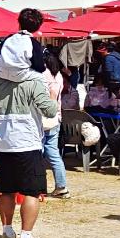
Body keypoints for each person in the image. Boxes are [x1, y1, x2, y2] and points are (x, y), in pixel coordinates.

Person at [0, 56, 59, 238]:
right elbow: (50, 111)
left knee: (7, 189)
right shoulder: (33, 82)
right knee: (31, 191)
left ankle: (7, 231)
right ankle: (26, 235)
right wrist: (52, 94)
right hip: (27, 142)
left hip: (4, 142)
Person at [41, 55, 70, 198]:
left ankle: (38, 186)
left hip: (41, 119)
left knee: (37, 153)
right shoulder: (58, 76)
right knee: (53, 154)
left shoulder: (42, 75)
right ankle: (61, 186)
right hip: (55, 119)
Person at [0, 8, 46, 83]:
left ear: (19, 23)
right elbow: (39, 66)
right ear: (37, 27)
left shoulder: (8, 38)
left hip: (2, 73)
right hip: (21, 75)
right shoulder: (33, 43)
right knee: (42, 78)